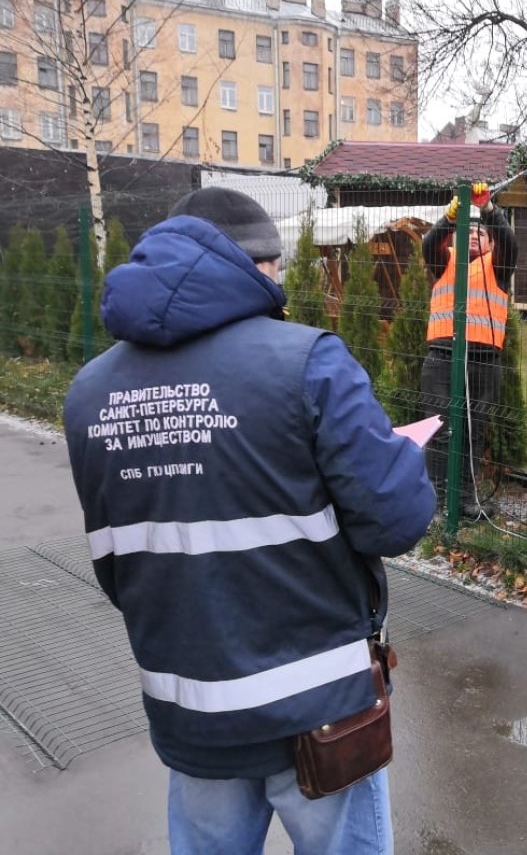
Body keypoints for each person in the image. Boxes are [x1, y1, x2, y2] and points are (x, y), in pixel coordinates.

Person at [62, 187, 436, 854]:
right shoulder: (309, 361)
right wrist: (400, 456)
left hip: (191, 713)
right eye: (276, 267)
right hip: (321, 718)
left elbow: (119, 568)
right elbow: (395, 521)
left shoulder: (90, 393)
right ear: (253, 266)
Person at [420, 181, 517, 517]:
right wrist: (449, 218)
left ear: (490, 241)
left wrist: (489, 209)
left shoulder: (499, 267)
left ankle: (463, 499)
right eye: (468, 230)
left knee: (473, 432)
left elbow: (509, 242)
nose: (474, 235)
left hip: (483, 361)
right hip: (443, 358)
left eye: (482, 232)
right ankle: (434, 498)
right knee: (441, 429)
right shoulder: (444, 262)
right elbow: (429, 243)